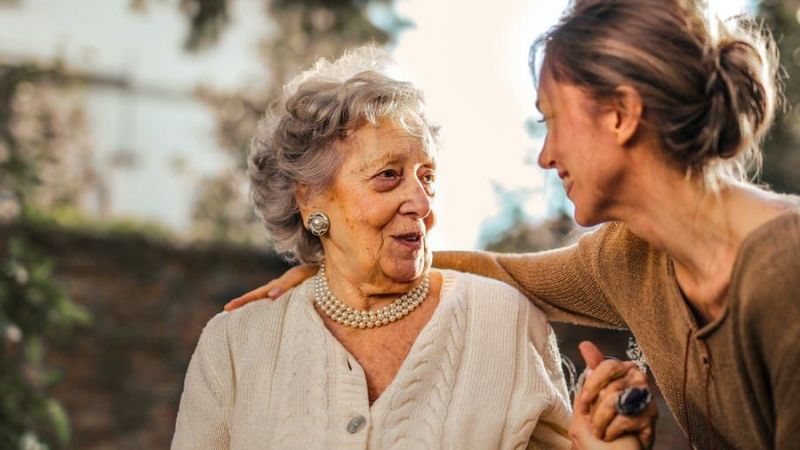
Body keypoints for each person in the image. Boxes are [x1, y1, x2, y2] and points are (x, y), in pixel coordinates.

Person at [225, 1, 800, 449]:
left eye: (553, 120)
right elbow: (503, 272)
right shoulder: (630, 257)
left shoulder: (784, 269)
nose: (546, 156)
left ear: (621, 115)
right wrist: (341, 264)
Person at [172, 48, 645, 449]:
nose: (420, 203)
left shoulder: (505, 321)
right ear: (311, 198)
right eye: (388, 176)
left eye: (428, 177)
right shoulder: (235, 345)